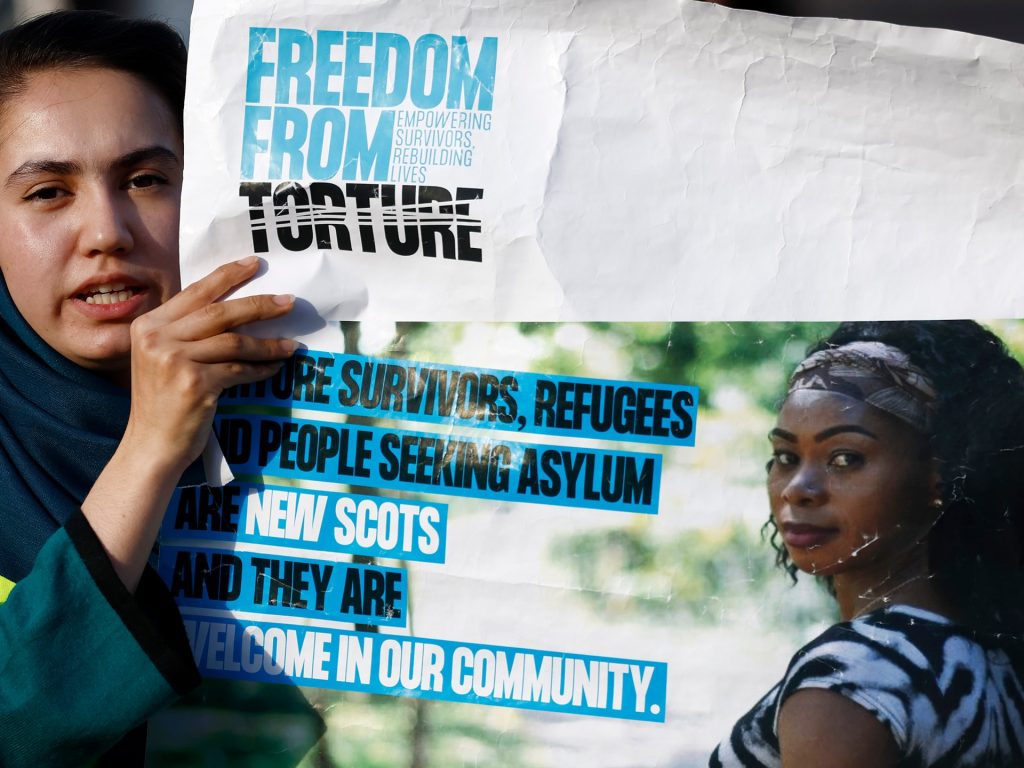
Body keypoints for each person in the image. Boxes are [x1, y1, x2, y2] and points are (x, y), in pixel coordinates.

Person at [0, 11, 297, 766]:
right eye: (48, 191)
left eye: (146, 180)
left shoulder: (302, 405)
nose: (107, 231)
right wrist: (151, 448)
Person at [710, 321, 1024, 767]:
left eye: (845, 458)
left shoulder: (847, 682)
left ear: (940, 477)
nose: (797, 489)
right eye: (786, 457)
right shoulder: (993, 659)